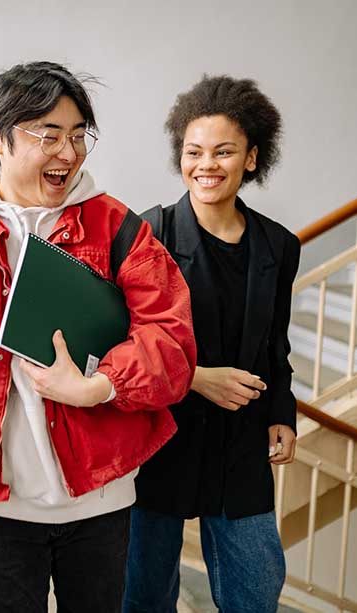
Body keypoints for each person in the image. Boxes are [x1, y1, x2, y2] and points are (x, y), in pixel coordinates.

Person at [0, 61, 197, 612]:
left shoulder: (117, 227)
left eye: (77, 135)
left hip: (100, 496)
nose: (67, 153)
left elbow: (173, 343)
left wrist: (100, 385)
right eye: (48, 135)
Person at [123, 75, 299, 613]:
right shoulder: (148, 233)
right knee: (145, 596)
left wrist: (282, 412)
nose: (207, 165)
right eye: (194, 151)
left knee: (255, 591)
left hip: (242, 439)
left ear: (251, 158)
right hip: (162, 435)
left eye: (224, 152)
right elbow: (121, 344)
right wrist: (196, 377)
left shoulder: (279, 245)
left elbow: (275, 344)